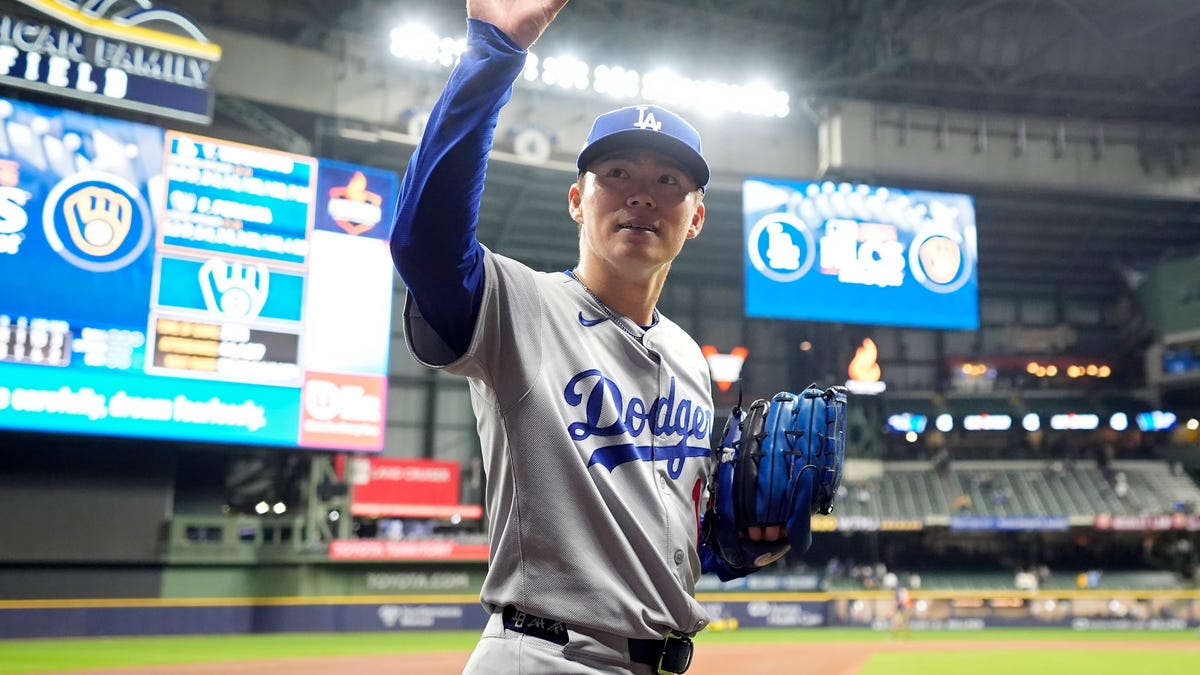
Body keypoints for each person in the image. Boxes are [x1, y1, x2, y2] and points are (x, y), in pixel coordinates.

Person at [389, 2, 787, 673]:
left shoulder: (691, 358)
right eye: (617, 176)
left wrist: (735, 544)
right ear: (577, 200)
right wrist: (494, 51)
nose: (642, 195)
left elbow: (666, 534)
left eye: (668, 181)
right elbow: (424, 245)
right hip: (544, 654)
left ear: (695, 219)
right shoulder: (523, 306)